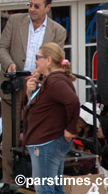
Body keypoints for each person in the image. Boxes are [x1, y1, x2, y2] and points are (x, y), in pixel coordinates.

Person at [0, 0, 67, 186]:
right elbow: (1, 47)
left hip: (39, 91)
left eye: (36, 6)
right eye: (30, 5)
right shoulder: (15, 21)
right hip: (13, 87)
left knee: (35, 137)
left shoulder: (58, 31)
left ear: (47, 8)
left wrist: (40, 72)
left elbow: (57, 61)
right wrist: (9, 64)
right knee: (10, 140)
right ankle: (10, 183)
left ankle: (32, 182)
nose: (32, 9)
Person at [23, 42, 80, 194]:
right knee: (53, 188)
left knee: (45, 190)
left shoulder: (55, 81)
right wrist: (30, 93)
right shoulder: (51, 80)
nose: (35, 61)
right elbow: (41, 109)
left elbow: (73, 102)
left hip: (47, 143)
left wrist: (70, 129)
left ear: (48, 60)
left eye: (38, 57)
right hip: (47, 142)